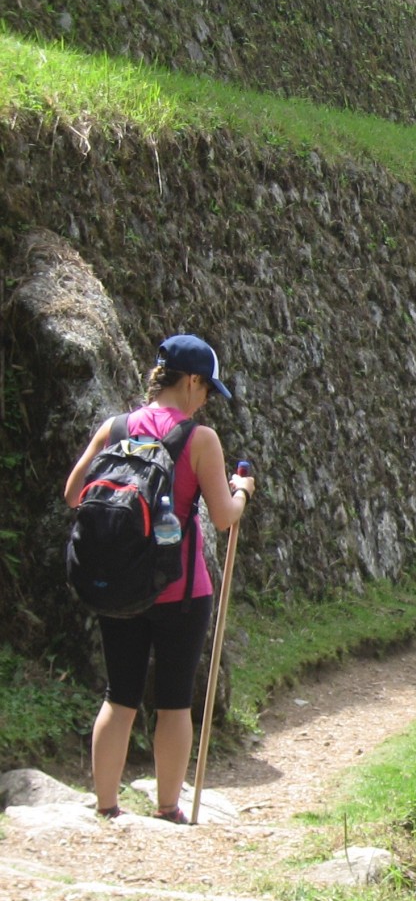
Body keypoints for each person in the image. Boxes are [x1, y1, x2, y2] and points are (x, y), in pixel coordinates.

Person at [63, 334, 256, 823]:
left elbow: (73, 494)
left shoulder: (117, 426)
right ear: (191, 381)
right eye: (207, 388)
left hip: (119, 584)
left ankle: (107, 806)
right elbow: (222, 516)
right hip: (180, 589)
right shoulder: (199, 439)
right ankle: (168, 809)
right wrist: (243, 491)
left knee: (119, 695)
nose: (207, 398)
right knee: (173, 703)